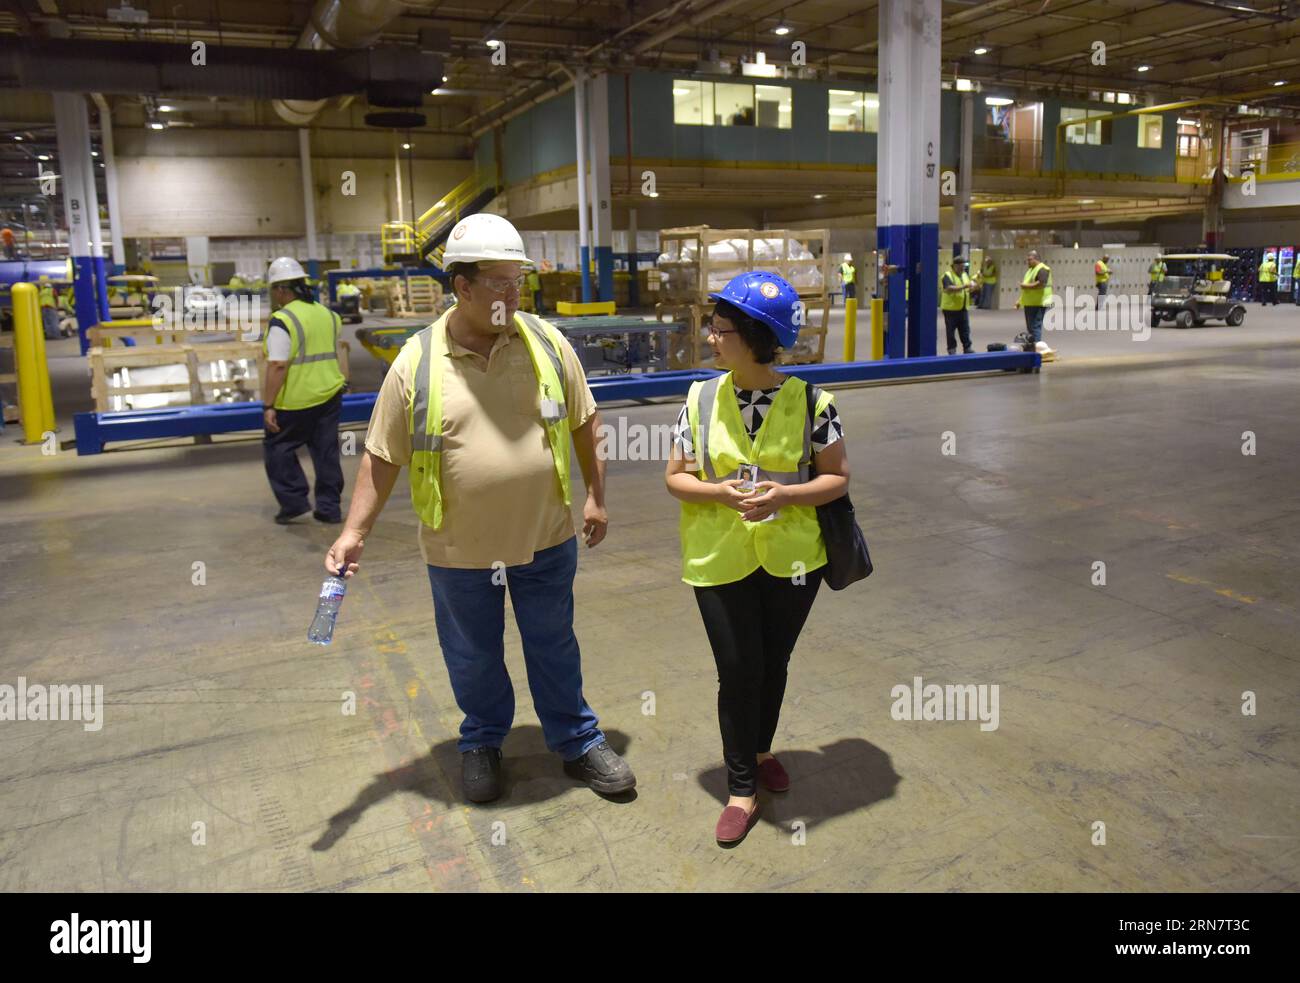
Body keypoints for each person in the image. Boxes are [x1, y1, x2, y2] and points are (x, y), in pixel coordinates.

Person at [322, 212, 634, 805]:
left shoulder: (546, 341)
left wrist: (595, 496)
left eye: (519, 282)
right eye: (500, 283)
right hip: (460, 550)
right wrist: (354, 530)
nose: (513, 296)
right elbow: (382, 454)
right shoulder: (416, 362)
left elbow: (585, 420)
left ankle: (576, 738)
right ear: (462, 287)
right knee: (472, 653)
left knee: (554, 642)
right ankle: (483, 742)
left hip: (545, 536)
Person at [665, 271, 849, 845]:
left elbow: (837, 480)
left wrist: (785, 495)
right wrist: (720, 492)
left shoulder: (814, 401)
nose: (711, 338)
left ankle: (761, 746)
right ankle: (741, 787)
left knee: (773, 661)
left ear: (752, 335)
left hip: (793, 562)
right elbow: (674, 478)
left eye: (720, 330)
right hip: (720, 559)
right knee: (738, 667)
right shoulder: (699, 399)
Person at [261, 256, 348, 525]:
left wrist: (268, 405)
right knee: (326, 452)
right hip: (329, 394)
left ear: (282, 290)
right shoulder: (329, 315)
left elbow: (277, 365)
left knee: (278, 449)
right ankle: (329, 508)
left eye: (274, 290)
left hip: (295, 401)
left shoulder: (283, 320)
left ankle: (294, 502)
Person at [1013, 249, 1052, 351]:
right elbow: (1026, 290)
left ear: (1036, 259)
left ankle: (1037, 348)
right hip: (1030, 303)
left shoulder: (1043, 269)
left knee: (1035, 326)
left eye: (1030, 260)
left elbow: (1041, 284)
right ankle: (1032, 347)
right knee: (1030, 328)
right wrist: (1019, 301)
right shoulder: (1030, 271)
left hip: (1040, 302)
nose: (1028, 262)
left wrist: (1025, 285)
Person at [940, 256, 975, 355]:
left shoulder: (964, 275)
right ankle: (952, 349)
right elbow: (949, 288)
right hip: (950, 309)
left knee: (965, 329)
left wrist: (972, 288)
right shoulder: (947, 275)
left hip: (963, 308)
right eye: (961, 267)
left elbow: (966, 288)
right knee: (950, 331)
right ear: (955, 266)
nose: (962, 269)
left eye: (964, 267)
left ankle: (967, 347)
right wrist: (965, 286)